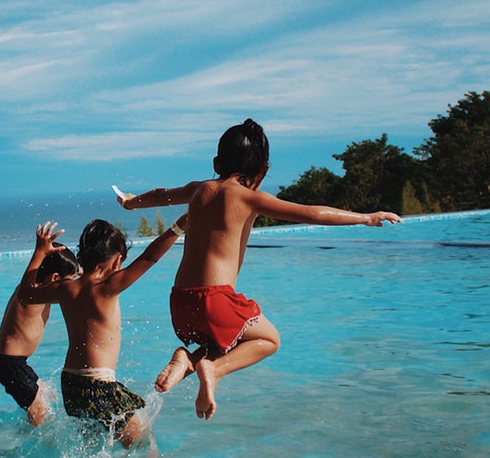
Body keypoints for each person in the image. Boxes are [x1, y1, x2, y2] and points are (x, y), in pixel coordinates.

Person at [118, 118, 402, 420]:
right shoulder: (249, 198)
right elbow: (313, 214)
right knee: (268, 340)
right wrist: (366, 218)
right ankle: (210, 368)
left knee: (225, 341)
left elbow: (161, 195)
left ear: (216, 161)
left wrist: (130, 203)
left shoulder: (198, 190)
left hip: (181, 301)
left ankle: (188, 360)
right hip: (216, 299)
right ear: (263, 169)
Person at [21, 216, 187, 448]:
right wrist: (178, 228)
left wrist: (39, 253)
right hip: (98, 384)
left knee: (92, 446)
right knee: (143, 444)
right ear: (117, 260)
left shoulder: (66, 289)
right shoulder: (108, 286)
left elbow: (25, 295)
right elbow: (150, 257)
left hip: (71, 384)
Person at [0, 224, 79, 426]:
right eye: (69, 281)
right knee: (39, 414)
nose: (71, 285)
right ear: (55, 278)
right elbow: (32, 277)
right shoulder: (30, 294)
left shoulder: (42, 289)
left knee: (47, 398)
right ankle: (27, 451)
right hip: (9, 363)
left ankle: (26, 429)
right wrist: (39, 252)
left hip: (13, 361)